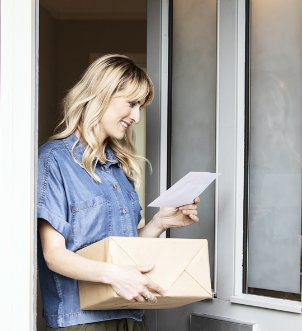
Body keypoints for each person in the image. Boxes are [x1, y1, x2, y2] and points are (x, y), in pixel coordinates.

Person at [37, 54, 200, 331]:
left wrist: (159, 223)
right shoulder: (54, 161)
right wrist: (115, 276)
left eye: (140, 107)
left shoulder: (119, 168)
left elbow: (120, 250)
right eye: (132, 104)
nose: (136, 117)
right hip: (82, 324)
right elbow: (54, 255)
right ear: (102, 95)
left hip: (130, 317)